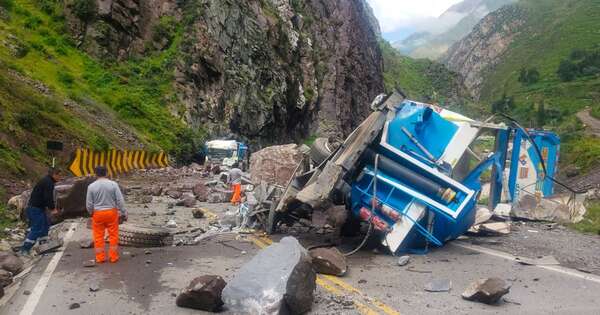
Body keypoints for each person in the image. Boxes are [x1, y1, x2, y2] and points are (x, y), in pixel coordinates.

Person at [86, 166, 127, 263]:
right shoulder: (113, 184)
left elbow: (89, 203)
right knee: (113, 235)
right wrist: (124, 212)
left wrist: (91, 212)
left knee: (98, 236)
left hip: (98, 213)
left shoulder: (91, 186)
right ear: (106, 173)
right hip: (111, 212)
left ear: (96, 174)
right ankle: (113, 257)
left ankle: (100, 258)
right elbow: (120, 200)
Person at [20, 168, 61, 255]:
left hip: (39, 208)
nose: (60, 177)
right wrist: (52, 208)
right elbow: (48, 197)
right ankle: (24, 249)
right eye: (59, 175)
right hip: (35, 208)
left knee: (45, 225)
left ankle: (44, 246)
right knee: (37, 228)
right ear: (54, 175)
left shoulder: (47, 181)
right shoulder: (48, 183)